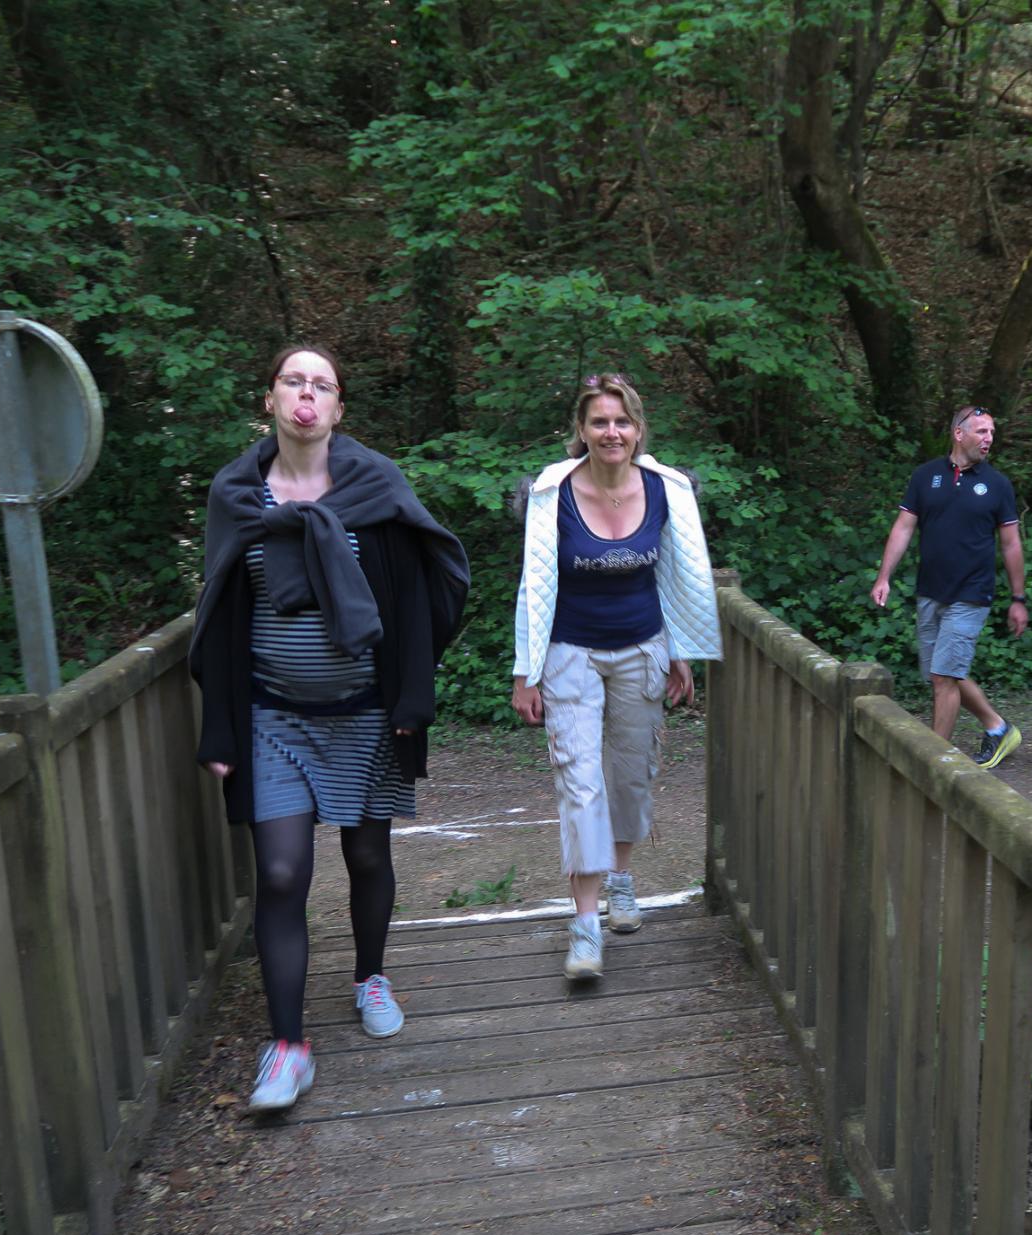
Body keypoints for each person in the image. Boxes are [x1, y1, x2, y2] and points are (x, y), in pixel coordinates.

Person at [190, 344, 470, 1112]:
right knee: (280, 873)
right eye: (293, 381)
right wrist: (219, 731)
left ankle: (369, 973)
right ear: (272, 399)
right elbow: (216, 617)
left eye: (323, 384)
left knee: (367, 854)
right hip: (272, 715)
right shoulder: (236, 494)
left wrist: (412, 698)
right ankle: (287, 1046)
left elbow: (425, 593)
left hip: (367, 716)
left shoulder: (375, 487)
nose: (307, 394)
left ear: (339, 409)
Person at [512, 373, 720, 982]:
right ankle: (584, 926)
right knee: (581, 784)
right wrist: (526, 673)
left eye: (621, 422)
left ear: (637, 430)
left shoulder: (666, 491)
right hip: (569, 654)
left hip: (642, 650)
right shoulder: (553, 494)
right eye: (599, 422)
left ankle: (621, 877)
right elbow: (534, 585)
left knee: (631, 777)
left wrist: (681, 649)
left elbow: (679, 576)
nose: (611, 432)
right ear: (581, 430)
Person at [870, 405, 1029, 766]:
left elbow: (1011, 544)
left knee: (944, 675)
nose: (989, 439)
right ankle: (998, 727)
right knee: (943, 673)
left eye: (991, 432)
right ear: (959, 434)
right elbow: (903, 527)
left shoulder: (998, 485)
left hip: (971, 594)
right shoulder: (926, 476)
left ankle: (933, 762)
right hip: (931, 590)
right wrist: (884, 577)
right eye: (981, 432)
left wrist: (1018, 598)